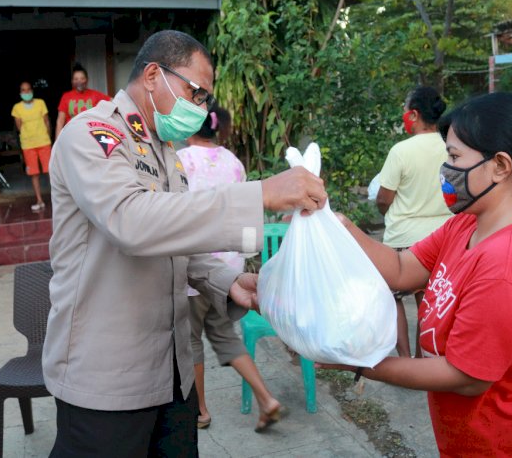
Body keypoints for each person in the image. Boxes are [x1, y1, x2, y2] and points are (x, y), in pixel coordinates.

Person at [43, 30, 326, 457]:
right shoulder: (94, 135)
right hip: (107, 378)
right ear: (153, 75)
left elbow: (174, 243)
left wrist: (227, 280)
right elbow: (132, 222)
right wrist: (259, 193)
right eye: (197, 93)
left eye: (205, 100)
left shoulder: (166, 152)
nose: (201, 108)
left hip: (172, 374)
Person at [319, 92, 512, 457]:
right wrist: (339, 225)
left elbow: (464, 377)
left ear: (501, 166)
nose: (446, 169)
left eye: (454, 157)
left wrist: (364, 364)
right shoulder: (466, 225)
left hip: (511, 446)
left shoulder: (508, 266)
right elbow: (403, 269)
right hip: (467, 441)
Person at [177, 106, 283, 432]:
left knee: (191, 340)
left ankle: (201, 412)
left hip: (195, 268)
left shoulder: (180, 161)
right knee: (224, 335)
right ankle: (266, 398)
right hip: (230, 270)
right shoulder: (233, 163)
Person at [376, 86, 450, 357]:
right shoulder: (450, 147)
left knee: (393, 298)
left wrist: (388, 211)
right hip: (442, 237)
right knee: (427, 300)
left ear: (415, 114)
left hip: (403, 238)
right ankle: (422, 357)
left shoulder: (401, 151)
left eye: (406, 112)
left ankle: (405, 357)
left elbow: (384, 198)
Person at [11, 81, 51, 211]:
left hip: (44, 142)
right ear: (20, 93)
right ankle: (39, 200)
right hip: (28, 144)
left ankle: (58, 199)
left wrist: (47, 136)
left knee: (51, 171)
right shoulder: (17, 108)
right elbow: (19, 126)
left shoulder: (40, 103)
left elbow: (46, 121)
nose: (26, 92)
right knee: (34, 174)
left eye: (28, 90)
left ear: (32, 91)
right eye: (23, 90)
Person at [54, 62, 110, 138]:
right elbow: (60, 121)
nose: (79, 81)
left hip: (91, 136)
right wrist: (58, 142)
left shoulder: (95, 95)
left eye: (82, 78)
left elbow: (112, 102)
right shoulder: (66, 97)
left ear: (87, 80)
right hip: (72, 135)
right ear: (72, 81)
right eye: (76, 79)